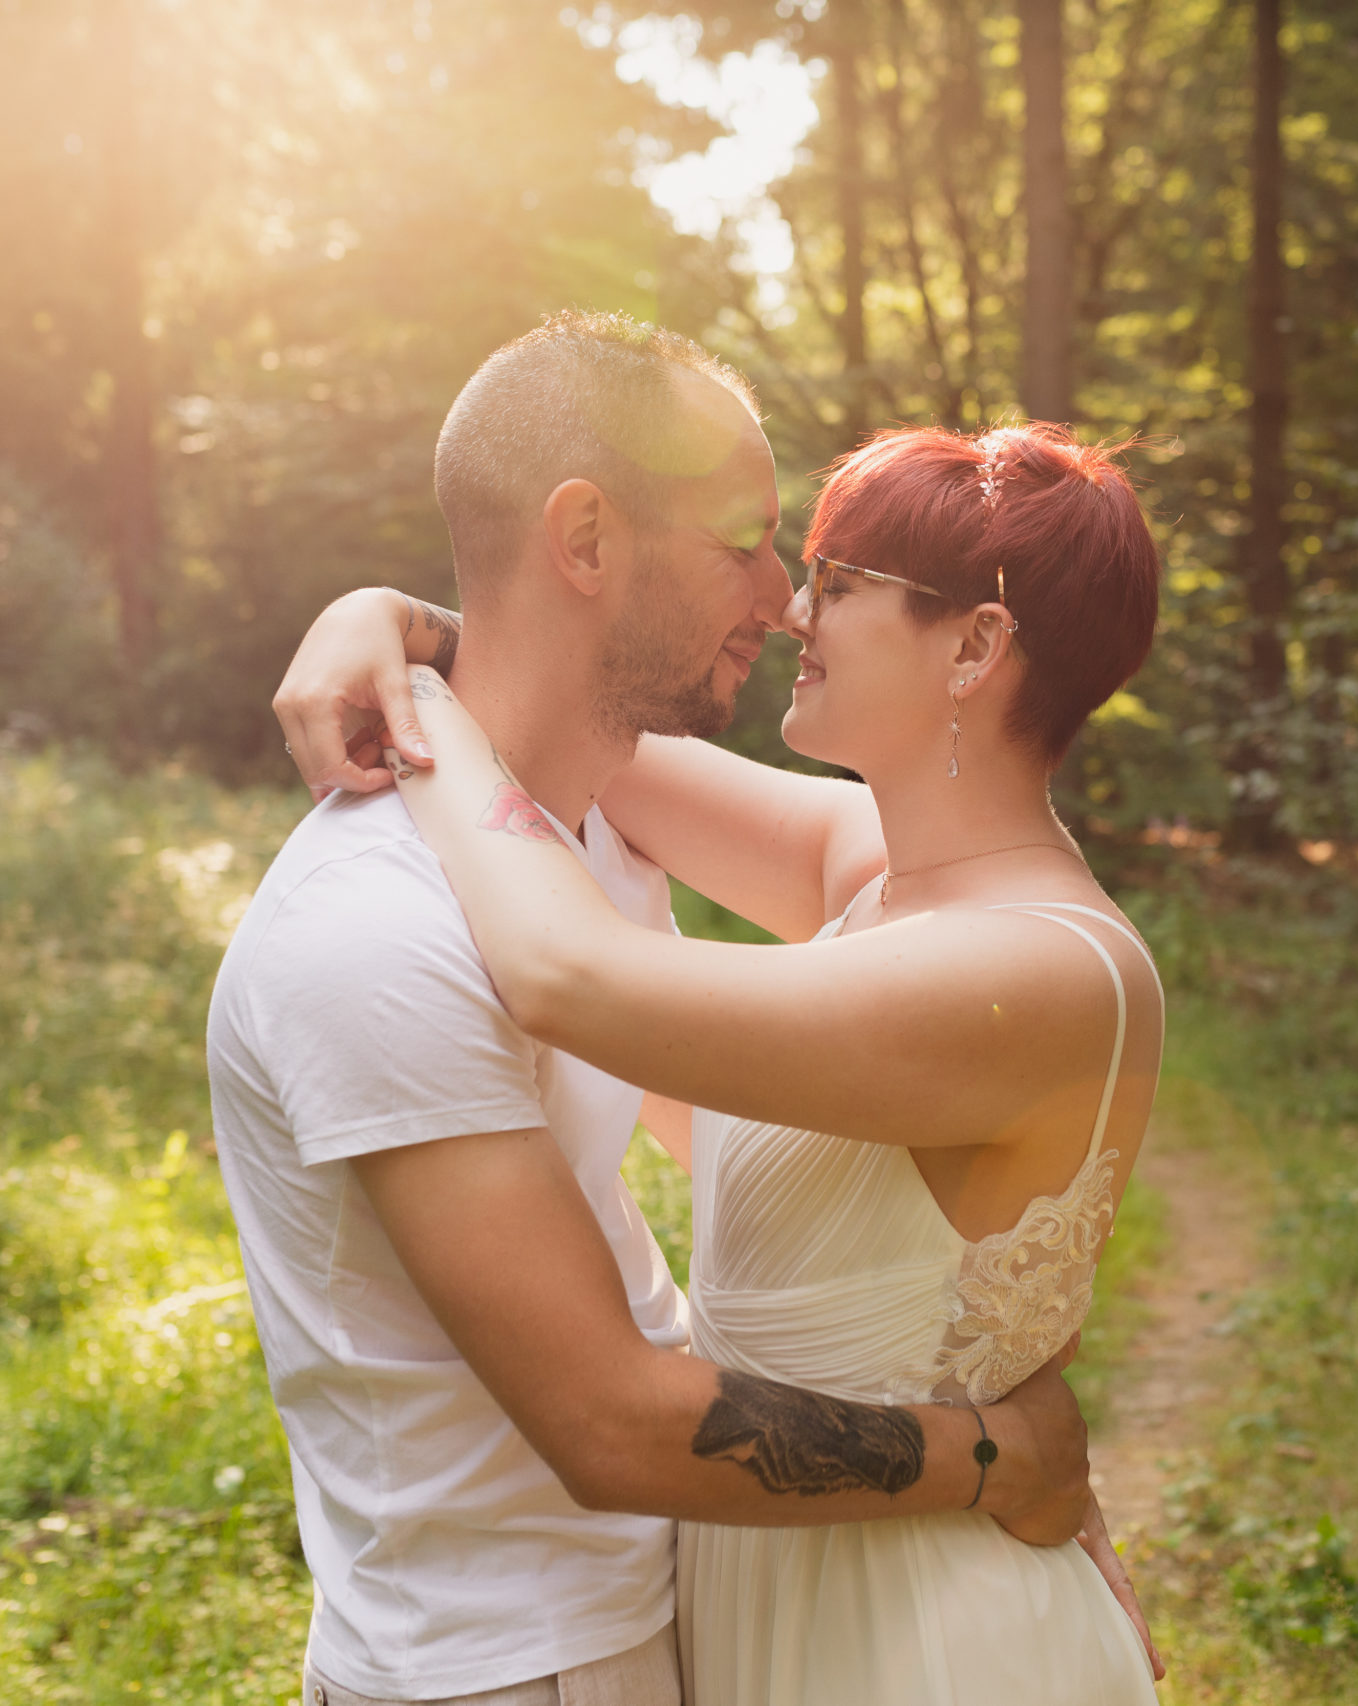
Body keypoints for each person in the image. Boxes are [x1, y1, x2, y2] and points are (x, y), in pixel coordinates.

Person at [210, 312, 1096, 1706]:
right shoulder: (371, 928)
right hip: (497, 1665)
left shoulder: (595, 838)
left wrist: (400, 627)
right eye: (745, 541)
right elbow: (609, 1422)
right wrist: (999, 1452)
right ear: (585, 541)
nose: (781, 595)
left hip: (681, 1612)